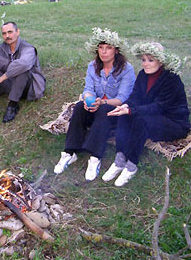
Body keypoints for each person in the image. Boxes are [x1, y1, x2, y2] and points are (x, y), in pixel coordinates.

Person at [103, 43, 191, 186]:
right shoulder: (143, 75)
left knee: (140, 120)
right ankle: (120, 159)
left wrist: (132, 110)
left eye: (150, 60)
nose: (146, 64)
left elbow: (160, 107)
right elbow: (136, 96)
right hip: (152, 114)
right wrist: (126, 105)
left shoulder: (172, 79)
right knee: (123, 114)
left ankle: (131, 164)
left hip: (173, 122)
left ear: (160, 61)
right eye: (143, 60)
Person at [54, 28, 136, 181]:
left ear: (116, 51)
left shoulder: (126, 69)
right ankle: (69, 152)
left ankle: (95, 157)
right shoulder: (93, 66)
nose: (104, 52)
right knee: (79, 106)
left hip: (116, 111)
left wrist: (102, 102)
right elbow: (88, 89)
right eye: (101, 47)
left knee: (104, 109)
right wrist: (88, 100)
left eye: (108, 48)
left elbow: (122, 98)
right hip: (97, 107)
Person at [0, 22, 46, 123]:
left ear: (17, 32)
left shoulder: (28, 48)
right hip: (10, 84)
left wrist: (1, 78)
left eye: (10, 32)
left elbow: (23, 64)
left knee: (22, 70)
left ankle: (13, 105)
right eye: (4, 33)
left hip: (28, 88)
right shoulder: (1, 48)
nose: (7, 36)